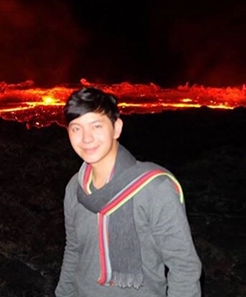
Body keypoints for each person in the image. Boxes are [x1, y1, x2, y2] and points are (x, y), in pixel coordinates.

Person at [55, 88, 202, 297]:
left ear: (116, 128)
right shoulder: (75, 187)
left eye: (96, 126)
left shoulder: (154, 188)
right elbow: (74, 250)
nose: (86, 138)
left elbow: (184, 267)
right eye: (76, 128)